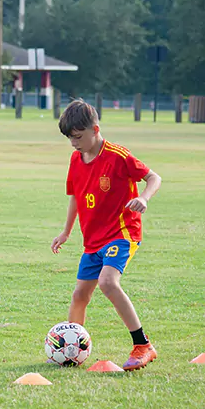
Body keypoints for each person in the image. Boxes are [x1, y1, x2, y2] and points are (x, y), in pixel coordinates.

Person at [51, 99, 162, 371]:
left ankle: (143, 345)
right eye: (70, 138)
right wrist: (66, 231)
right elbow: (75, 196)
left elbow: (154, 178)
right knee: (80, 295)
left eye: (78, 137)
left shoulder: (118, 156)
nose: (74, 144)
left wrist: (144, 198)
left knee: (108, 282)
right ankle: (71, 349)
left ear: (95, 129)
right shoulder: (76, 159)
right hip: (93, 241)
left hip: (121, 233)